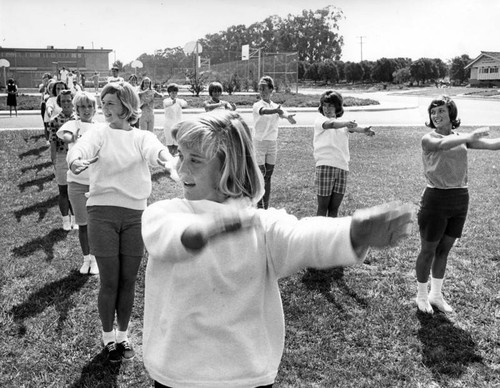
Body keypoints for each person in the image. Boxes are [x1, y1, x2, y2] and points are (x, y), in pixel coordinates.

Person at [141, 110, 413, 388]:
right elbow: (169, 238)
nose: (182, 168)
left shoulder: (259, 225)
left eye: (195, 160)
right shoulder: (165, 212)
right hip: (178, 373)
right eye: (181, 156)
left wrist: (353, 232)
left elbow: (302, 236)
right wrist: (207, 230)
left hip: (246, 374)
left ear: (228, 168)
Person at [67, 81, 177, 363]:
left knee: (128, 281)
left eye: (110, 104)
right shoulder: (99, 134)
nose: (104, 110)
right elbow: (79, 148)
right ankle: (107, 338)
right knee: (110, 281)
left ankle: (123, 336)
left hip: (135, 216)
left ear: (127, 106)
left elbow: (157, 151)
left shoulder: (141, 137)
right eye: (102, 105)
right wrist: (75, 160)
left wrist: (168, 161)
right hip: (101, 214)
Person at [415, 96, 500, 314]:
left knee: (444, 250)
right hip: (435, 199)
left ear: (451, 114)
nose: (436, 116)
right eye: (433, 112)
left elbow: (493, 145)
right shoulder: (428, 139)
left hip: (460, 198)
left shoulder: (461, 138)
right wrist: (467, 137)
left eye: (441, 111)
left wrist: (468, 138)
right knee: (428, 250)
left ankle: (436, 295)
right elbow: (442, 144)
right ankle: (422, 295)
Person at [57, 92, 103, 275]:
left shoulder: (101, 127)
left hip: (97, 184)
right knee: (83, 224)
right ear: (76, 109)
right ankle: (87, 259)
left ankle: (96, 258)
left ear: (95, 108)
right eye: (82, 107)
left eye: (89, 106)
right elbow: (66, 135)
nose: (86, 110)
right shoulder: (72, 124)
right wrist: (72, 137)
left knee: (96, 224)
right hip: (76, 183)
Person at [314, 90, 375, 218]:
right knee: (322, 207)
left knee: (334, 208)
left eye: (331, 105)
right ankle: (318, 235)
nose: (327, 109)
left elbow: (354, 128)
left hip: (342, 167)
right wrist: (346, 124)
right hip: (325, 166)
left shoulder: (344, 124)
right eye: (325, 105)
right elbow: (331, 124)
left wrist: (365, 130)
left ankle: (331, 236)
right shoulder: (320, 120)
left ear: (337, 107)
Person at [252, 76, 296, 209]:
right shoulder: (257, 105)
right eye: (260, 89)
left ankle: (265, 207)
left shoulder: (276, 106)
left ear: (271, 89)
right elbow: (263, 112)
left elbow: (283, 113)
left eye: (264, 88)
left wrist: (288, 117)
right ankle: (259, 207)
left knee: (268, 176)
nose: (262, 91)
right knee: (261, 175)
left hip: (272, 144)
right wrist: (276, 111)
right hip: (259, 143)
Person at [49, 90, 77, 231]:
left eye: (68, 100)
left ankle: (75, 218)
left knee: (76, 190)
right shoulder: (54, 120)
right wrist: (53, 160)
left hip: (76, 157)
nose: (66, 103)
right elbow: (53, 142)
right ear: (59, 103)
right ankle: (65, 220)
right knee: (63, 190)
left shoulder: (78, 119)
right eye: (63, 101)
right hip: (62, 157)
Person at [162, 83, 187, 155]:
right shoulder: (166, 101)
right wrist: (175, 101)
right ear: (169, 93)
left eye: (176, 92)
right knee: (169, 143)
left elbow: (185, 104)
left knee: (176, 143)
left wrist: (183, 102)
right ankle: (170, 157)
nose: (174, 94)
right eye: (172, 92)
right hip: (168, 125)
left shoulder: (179, 100)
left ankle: (175, 158)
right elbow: (169, 103)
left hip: (178, 125)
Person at [39, 73, 53, 141]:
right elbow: (40, 90)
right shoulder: (42, 85)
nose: (44, 80)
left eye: (46, 78)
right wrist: (45, 84)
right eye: (44, 79)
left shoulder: (52, 84)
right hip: (44, 104)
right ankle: (47, 139)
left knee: (52, 122)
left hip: (51, 104)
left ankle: (52, 136)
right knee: (45, 122)